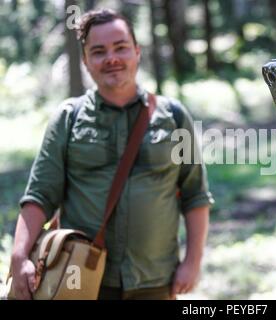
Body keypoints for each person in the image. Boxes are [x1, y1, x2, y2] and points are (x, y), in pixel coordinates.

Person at [10, 8, 214, 300]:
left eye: (120, 47)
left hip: (154, 280)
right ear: (85, 61)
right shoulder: (69, 118)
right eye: (99, 51)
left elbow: (195, 195)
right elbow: (40, 195)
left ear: (137, 52)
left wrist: (193, 262)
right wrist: (19, 255)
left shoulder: (175, 116)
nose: (112, 58)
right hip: (78, 280)